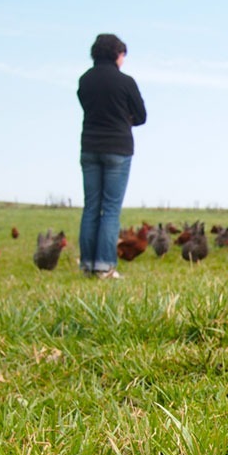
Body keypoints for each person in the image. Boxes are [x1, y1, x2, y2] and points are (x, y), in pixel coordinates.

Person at [77, 33, 146, 278]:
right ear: (117, 54)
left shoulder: (85, 80)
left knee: (91, 207)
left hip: (90, 147)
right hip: (118, 148)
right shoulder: (125, 82)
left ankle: (87, 264)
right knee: (111, 209)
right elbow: (141, 116)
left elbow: (87, 107)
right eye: (122, 55)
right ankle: (105, 265)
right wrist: (124, 118)